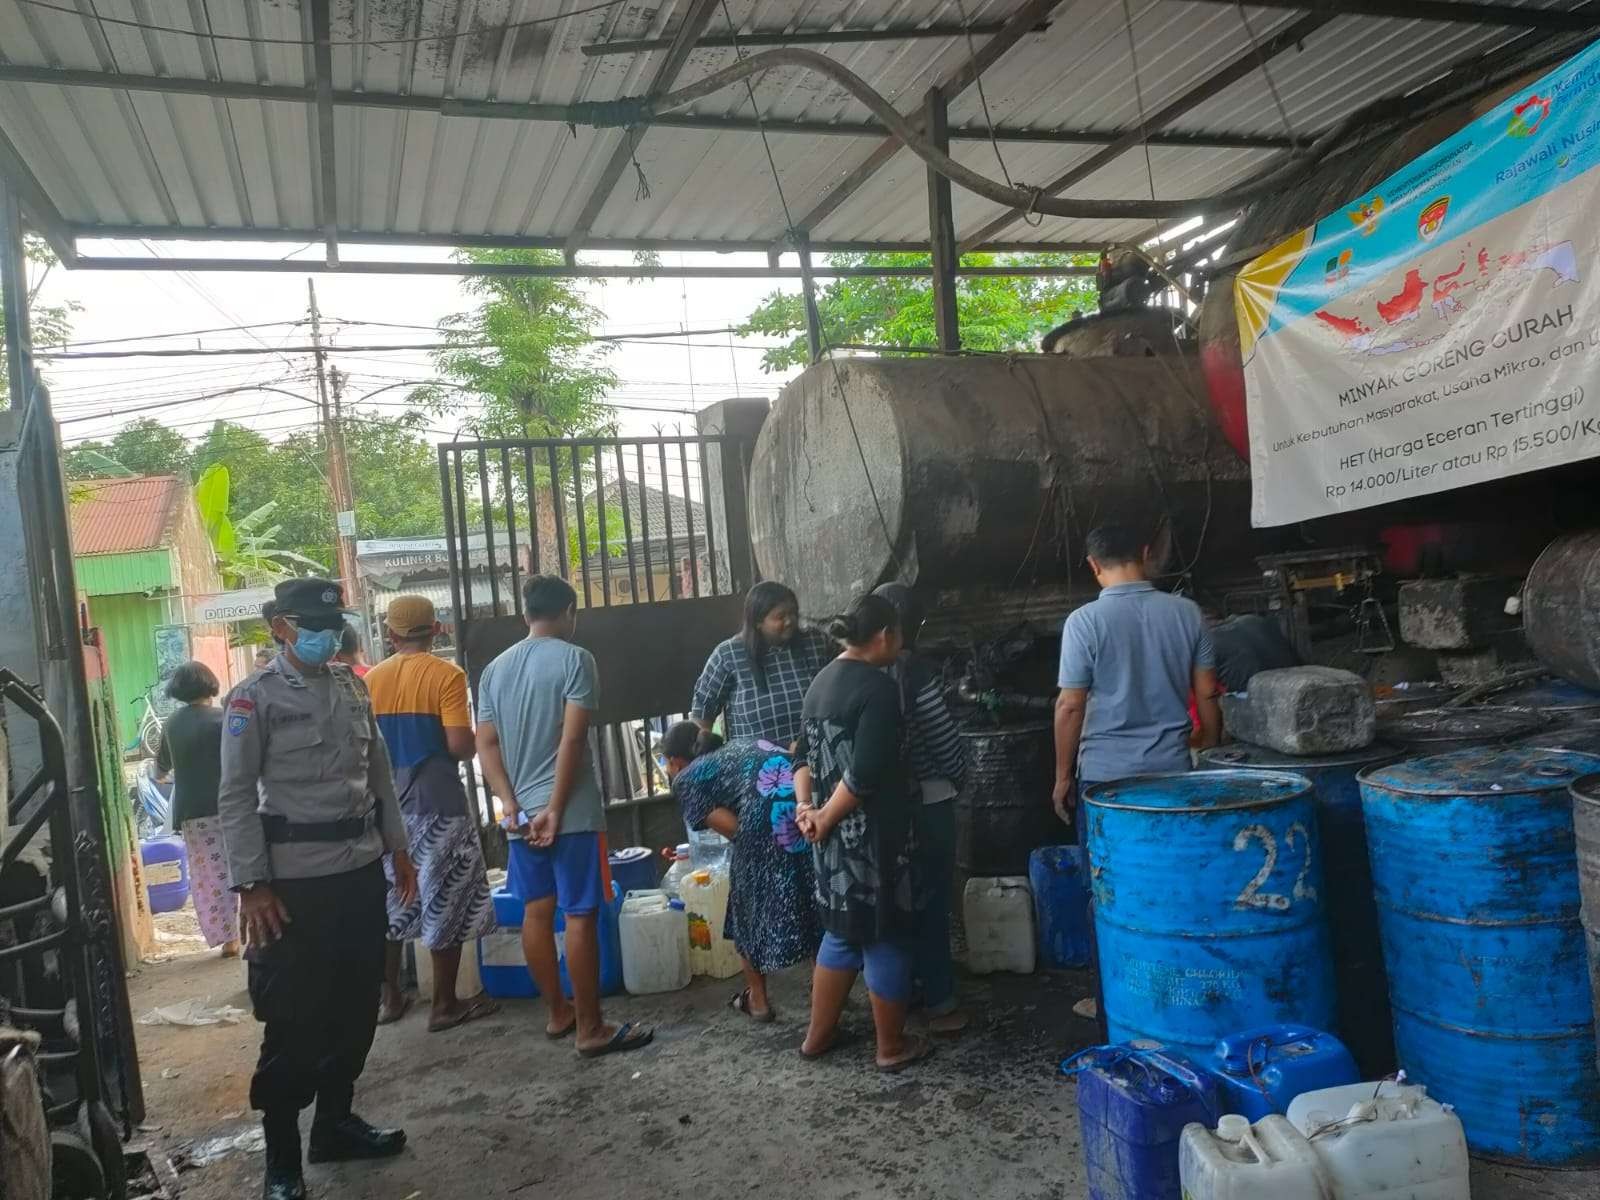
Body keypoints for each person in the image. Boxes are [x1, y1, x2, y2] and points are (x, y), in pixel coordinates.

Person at [218, 578, 418, 1200]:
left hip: (359, 873)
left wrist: (399, 846)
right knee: (293, 1021)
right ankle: (282, 1160)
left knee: (356, 1007)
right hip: (292, 888)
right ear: (280, 626)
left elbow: (378, 771)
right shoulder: (253, 699)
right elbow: (233, 797)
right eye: (309, 624)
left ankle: (334, 1124)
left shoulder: (353, 686)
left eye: (332, 624)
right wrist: (251, 884)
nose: (326, 635)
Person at [475, 575, 652, 1059]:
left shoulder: (493, 670)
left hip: (519, 816)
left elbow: (485, 743)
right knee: (579, 914)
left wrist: (509, 803)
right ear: (570, 611)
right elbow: (571, 740)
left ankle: (558, 1013)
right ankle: (591, 1027)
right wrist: (554, 808)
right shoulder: (576, 659)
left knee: (536, 911)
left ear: (525, 614)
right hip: (569, 812)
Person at [1052, 524, 1222, 1022]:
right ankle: (1181, 991)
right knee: (1176, 884)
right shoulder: (1187, 614)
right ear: (1146, 554)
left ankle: (1113, 1000)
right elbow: (1208, 694)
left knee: (1107, 891)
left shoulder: (1084, 622)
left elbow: (1069, 707)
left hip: (1105, 783)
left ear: (1093, 565)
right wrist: (1208, 742)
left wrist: (1063, 776)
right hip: (1172, 776)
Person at [796, 594, 929, 1073]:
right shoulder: (876, 688)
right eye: (898, 635)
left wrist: (807, 810)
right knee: (885, 933)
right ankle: (891, 1046)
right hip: (874, 839)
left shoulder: (819, 683)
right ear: (885, 636)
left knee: (841, 932)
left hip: (829, 845)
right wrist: (828, 816)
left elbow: (802, 760)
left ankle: (816, 1038)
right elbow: (865, 773)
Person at [367, 595, 498, 1033]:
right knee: (446, 897)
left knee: (392, 899)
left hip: (388, 808)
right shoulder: (447, 675)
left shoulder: (371, 680)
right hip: (437, 802)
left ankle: (390, 997)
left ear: (391, 634)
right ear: (436, 629)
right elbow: (461, 745)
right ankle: (444, 1003)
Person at [661, 722, 822, 1022]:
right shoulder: (739, 745)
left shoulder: (684, 778)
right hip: (808, 811)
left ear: (674, 760)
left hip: (768, 822)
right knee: (812, 898)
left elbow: (735, 830)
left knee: (743, 907)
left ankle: (758, 1000)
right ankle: (824, 994)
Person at [872, 582, 968, 1036]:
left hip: (878, 808)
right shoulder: (916, 671)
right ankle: (941, 1003)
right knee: (931, 903)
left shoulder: (860, 672)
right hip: (928, 802)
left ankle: (899, 994)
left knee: (894, 905)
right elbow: (944, 741)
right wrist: (959, 776)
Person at [156, 660, 239, 957]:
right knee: (243, 869)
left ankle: (228, 939)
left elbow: (161, 767)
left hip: (193, 812)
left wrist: (164, 773)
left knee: (210, 876)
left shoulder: (172, 724)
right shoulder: (224, 718)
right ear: (211, 685)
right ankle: (253, 930)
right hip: (231, 807)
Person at [692, 581, 832, 745]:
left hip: (813, 757)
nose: (789, 621)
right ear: (758, 622)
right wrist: (704, 754)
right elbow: (703, 710)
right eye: (780, 617)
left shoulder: (816, 643)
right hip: (757, 763)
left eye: (793, 613)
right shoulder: (728, 654)